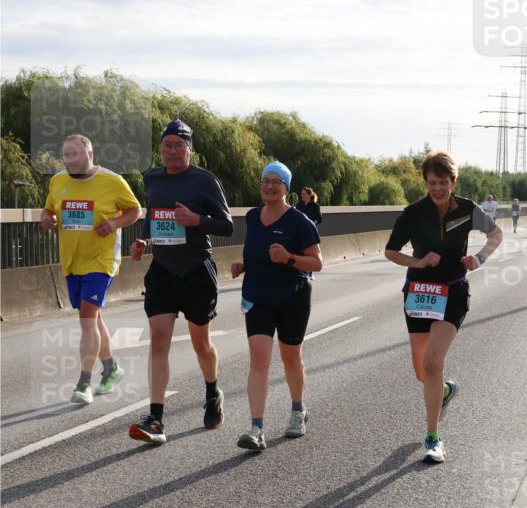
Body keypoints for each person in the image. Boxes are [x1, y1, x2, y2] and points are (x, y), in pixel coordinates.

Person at [385, 151, 502, 464]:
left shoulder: (466, 208)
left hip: (452, 290)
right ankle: (446, 391)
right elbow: (391, 251)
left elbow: (495, 233)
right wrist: (419, 262)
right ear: (426, 182)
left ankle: (433, 436)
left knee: (434, 361)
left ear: (453, 181)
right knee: (423, 370)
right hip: (419, 292)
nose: (438, 188)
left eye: (443, 182)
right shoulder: (413, 213)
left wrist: (479, 258)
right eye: (432, 182)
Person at [128, 119, 233, 444]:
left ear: (189, 149)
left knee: (201, 343)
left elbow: (227, 225)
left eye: (179, 145)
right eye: (167, 145)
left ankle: (213, 393)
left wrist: (196, 220)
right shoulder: (153, 178)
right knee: (159, 340)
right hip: (163, 270)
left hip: (196, 270)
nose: (173, 150)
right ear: (161, 149)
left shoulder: (204, 181)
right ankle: (156, 418)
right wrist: (144, 240)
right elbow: (152, 213)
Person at [40, 134, 142, 404]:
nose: (70, 160)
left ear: (90, 154)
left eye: (75, 154)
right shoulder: (58, 181)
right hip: (72, 260)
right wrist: (47, 217)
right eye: (66, 155)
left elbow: (135, 210)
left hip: (101, 260)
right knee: (92, 317)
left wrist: (113, 224)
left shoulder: (112, 181)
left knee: (87, 316)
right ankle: (111, 368)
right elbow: (49, 208)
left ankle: (84, 382)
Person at [232, 162, 323, 452]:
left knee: (291, 358)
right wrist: (243, 265)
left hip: (292, 296)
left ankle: (298, 409)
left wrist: (288, 258)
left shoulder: (300, 222)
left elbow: (317, 263)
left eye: (276, 181)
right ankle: (256, 428)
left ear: (287, 188)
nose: (269, 186)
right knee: (259, 360)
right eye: (265, 181)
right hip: (258, 295)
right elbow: (257, 251)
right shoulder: (252, 217)